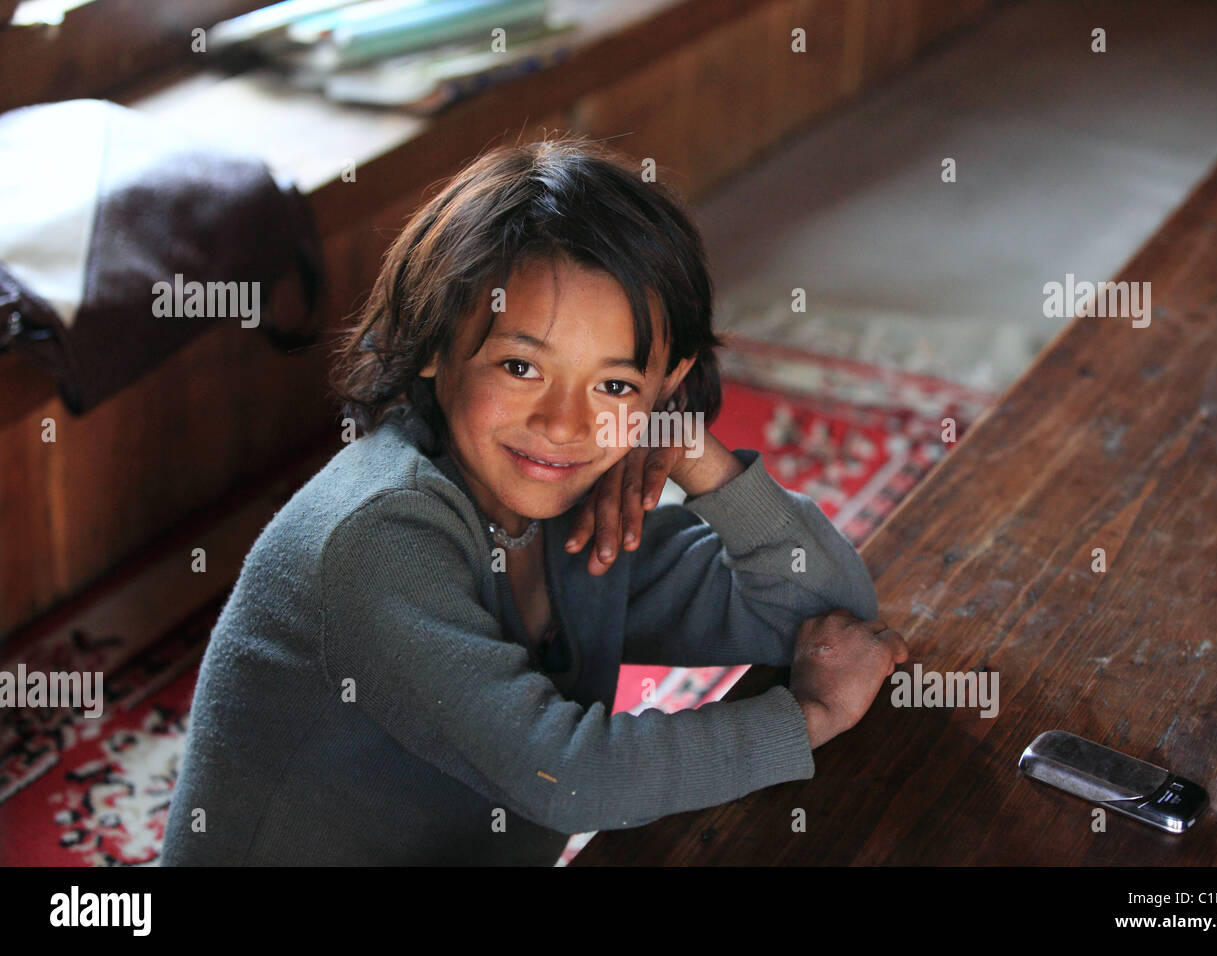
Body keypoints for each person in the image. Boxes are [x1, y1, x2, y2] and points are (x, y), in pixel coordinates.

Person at [161, 134, 908, 866]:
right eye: (520, 365)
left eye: (615, 384)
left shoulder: (572, 511)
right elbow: (569, 777)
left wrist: (692, 453)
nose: (564, 424)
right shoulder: (377, 537)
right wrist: (810, 716)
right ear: (432, 343)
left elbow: (828, 612)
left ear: (666, 385)